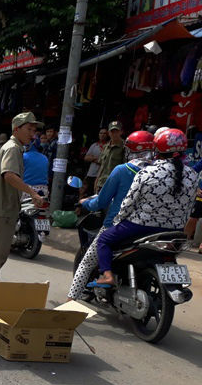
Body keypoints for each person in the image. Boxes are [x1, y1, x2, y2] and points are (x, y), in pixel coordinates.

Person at [94, 129, 198, 287]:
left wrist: (118, 220)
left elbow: (128, 203)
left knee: (104, 239)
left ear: (157, 149)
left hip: (139, 227)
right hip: (175, 231)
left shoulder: (148, 172)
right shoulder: (192, 175)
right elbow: (190, 206)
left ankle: (107, 276)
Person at [67, 131, 155, 300]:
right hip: (150, 228)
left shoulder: (122, 170)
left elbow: (102, 201)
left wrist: (85, 202)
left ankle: (69, 301)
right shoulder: (157, 172)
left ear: (129, 150)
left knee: (86, 264)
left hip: (119, 224)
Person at [0, 112, 47, 297]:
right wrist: (32, 192)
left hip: (2, 207)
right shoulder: (13, 148)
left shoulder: (13, 147)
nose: (33, 134)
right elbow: (9, 175)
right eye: (29, 129)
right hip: (4, 208)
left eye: (34, 130)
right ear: (17, 129)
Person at [94, 121, 125, 192]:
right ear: (109, 133)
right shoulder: (106, 147)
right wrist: (96, 182)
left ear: (121, 132)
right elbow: (102, 166)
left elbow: (125, 168)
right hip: (101, 183)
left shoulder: (124, 147)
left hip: (115, 184)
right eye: (112, 132)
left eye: (116, 131)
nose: (114, 134)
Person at [83, 127, 109, 195]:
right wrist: (97, 159)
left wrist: (93, 158)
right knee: (87, 192)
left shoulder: (109, 146)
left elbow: (106, 161)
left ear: (108, 135)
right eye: (101, 133)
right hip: (91, 173)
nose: (102, 135)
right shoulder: (94, 145)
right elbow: (86, 157)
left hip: (102, 175)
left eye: (104, 133)